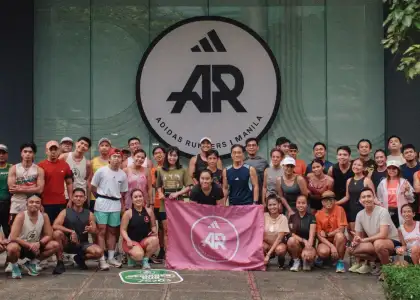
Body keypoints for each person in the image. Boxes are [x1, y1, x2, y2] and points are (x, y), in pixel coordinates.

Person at [349, 187, 401, 278]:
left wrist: (364, 240)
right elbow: (358, 236)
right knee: (351, 250)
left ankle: (387, 270)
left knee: (379, 244)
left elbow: (383, 234)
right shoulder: (360, 214)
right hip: (374, 241)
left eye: (369, 196)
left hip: (391, 241)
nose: (366, 199)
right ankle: (380, 261)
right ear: (360, 200)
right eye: (363, 197)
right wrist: (355, 241)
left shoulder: (382, 211)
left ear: (374, 197)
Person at [91, 148, 128, 270]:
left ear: (122, 159)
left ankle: (111, 257)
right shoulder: (101, 171)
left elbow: (123, 193)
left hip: (115, 204)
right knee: (101, 231)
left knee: (112, 231)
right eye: (114, 156)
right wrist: (101, 197)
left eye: (119, 157)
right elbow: (93, 187)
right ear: (110, 158)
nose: (117, 159)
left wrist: (122, 206)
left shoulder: (123, 174)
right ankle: (101, 259)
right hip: (102, 203)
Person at [6, 194, 60, 279]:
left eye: (37, 202)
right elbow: (13, 237)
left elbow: (48, 235)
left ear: (40, 205)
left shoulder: (44, 216)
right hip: (20, 245)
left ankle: (32, 263)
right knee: (12, 248)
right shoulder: (21, 216)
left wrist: (40, 243)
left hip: (35, 245)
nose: (34, 204)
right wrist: (29, 245)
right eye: (31, 202)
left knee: (55, 245)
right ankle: (14, 266)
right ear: (26, 204)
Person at [52, 188, 103, 274]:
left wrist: (91, 229)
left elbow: (95, 231)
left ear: (85, 198)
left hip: (82, 244)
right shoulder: (65, 212)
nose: (78, 198)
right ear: (72, 198)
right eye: (76, 196)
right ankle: (60, 263)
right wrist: (71, 232)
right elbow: (55, 225)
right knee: (57, 233)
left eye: (81, 196)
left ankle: (80, 258)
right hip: (67, 242)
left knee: (99, 252)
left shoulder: (89, 213)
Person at [156, 146, 192, 252]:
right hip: (165, 204)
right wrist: (160, 193)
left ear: (178, 157)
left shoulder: (183, 170)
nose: (172, 157)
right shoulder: (160, 170)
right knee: (167, 230)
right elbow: (158, 185)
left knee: (178, 229)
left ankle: (179, 253)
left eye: (175, 155)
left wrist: (177, 193)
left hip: (178, 203)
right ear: (167, 156)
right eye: (170, 155)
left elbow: (189, 186)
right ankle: (169, 255)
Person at [120, 189, 159, 269]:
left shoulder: (149, 211)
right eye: (135, 197)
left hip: (143, 241)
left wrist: (154, 230)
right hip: (131, 242)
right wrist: (128, 240)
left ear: (143, 198)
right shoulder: (128, 213)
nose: (138, 199)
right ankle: (131, 256)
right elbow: (123, 230)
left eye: (140, 196)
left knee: (155, 240)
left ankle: (145, 260)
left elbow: (153, 226)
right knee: (138, 255)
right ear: (132, 200)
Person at [38, 140, 74, 226]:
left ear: (59, 151)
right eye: (51, 149)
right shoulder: (40, 166)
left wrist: (70, 199)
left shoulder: (65, 165)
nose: (53, 152)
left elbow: (69, 183)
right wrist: (39, 202)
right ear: (46, 151)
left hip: (61, 203)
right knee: (47, 228)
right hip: (45, 203)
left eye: (55, 149)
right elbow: (37, 186)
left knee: (61, 229)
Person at [8, 142, 45, 223]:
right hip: (17, 203)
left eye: (30, 152)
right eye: (25, 151)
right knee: (14, 229)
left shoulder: (39, 170)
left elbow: (40, 190)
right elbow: (12, 188)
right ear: (21, 153)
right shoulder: (14, 168)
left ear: (34, 154)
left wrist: (20, 188)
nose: (27, 154)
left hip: (33, 203)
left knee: (32, 229)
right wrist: (33, 187)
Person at [337, 158, 376, 230]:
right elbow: (347, 197)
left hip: (364, 210)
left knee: (364, 234)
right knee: (353, 233)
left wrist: (380, 205)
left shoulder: (367, 180)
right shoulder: (349, 180)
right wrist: (336, 203)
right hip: (352, 210)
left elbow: (374, 197)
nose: (356, 166)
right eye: (354, 164)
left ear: (364, 168)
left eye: (359, 165)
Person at [315, 191, 347, 273]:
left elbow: (341, 229)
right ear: (322, 202)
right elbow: (319, 235)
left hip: (336, 239)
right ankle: (326, 259)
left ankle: (340, 262)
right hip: (325, 242)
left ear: (335, 201)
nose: (328, 202)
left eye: (331, 200)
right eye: (326, 200)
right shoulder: (318, 214)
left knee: (340, 236)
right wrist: (331, 246)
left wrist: (327, 234)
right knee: (323, 252)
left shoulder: (340, 209)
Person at [377, 160, 415, 227]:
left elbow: (411, 199)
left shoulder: (404, 182)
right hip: (387, 210)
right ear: (387, 170)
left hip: (401, 211)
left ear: (398, 170)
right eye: (389, 168)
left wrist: (407, 191)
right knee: (389, 230)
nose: (391, 170)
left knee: (402, 230)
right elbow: (380, 198)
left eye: (394, 168)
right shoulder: (383, 183)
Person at [287, 195, 317, 271]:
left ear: (307, 205)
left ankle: (307, 260)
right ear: (296, 204)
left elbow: (312, 235)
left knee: (308, 257)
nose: (301, 205)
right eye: (299, 203)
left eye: (303, 203)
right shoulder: (292, 217)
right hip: (298, 244)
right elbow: (292, 234)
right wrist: (303, 240)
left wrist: (308, 247)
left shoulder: (312, 217)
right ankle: (296, 261)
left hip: (308, 244)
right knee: (291, 240)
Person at [60, 137, 92, 206]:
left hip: (81, 196)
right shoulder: (64, 157)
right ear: (76, 143)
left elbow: (88, 182)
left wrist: (88, 200)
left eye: (86, 145)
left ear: (87, 149)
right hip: (66, 196)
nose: (83, 146)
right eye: (81, 143)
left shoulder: (88, 163)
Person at [263, 195, 289, 268]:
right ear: (267, 206)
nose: (272, 207)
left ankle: (281, 261)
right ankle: (264, 260)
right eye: (270, 205)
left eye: (274, 204)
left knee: (280, 250)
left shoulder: (283, 218)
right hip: (266, 244)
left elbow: (279, 239)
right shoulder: (263, 216)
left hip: (278, 244)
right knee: (260, 246)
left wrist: (268, 254)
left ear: (279, 205)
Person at [328, 146, 354, 217]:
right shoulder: (332, 169)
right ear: (337, 156)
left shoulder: (354, 168)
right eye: (340, 155)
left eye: (345, 155)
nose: (342, 157)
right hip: (337, 200)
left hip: (352, 201)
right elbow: (330, 186)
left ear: (349, 156)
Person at [150, 146, 165, 261]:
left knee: (169, 228)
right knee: (159, 228)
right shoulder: (153, 170)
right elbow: (154, 185)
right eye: (156, 153)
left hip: (171, 202)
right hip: (157, 202)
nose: (158, 155)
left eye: (160, 153)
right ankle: (161, 249)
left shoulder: (171, 168)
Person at [90, 138, 112, 212]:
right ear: (99, 148)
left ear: (110, 148)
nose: (104, 147)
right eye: (102, 145)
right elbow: (89, 179)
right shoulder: (93, 161)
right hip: (95, 197)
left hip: (110, 196)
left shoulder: (114, 162)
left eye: (107, 145)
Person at [245, 137, 269, 203]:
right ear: (246, 148)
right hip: (246, 195)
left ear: (257, 147)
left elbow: (267, 180)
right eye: (249, 145)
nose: (251, 147)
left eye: (253, 145)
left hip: (260, 195)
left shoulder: (264, 162)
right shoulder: (242, 162)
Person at [0, 144, 12, 238]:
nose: (1, 155)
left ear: (7, 155)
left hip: (8, 204)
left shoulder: (12, 168)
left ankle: (10, 250)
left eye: (3, 153)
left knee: (7, 228)